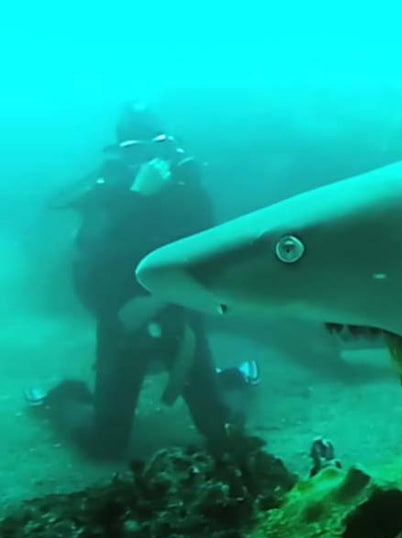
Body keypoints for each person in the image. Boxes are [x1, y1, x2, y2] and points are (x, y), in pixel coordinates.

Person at [26, 102, 259, 460]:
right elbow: (92, 262)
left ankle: (235, 379)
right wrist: (136, 196)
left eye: (156, 146)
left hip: (178, 314)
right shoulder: (109, 190)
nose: (148, 159)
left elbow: (208, 255)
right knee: (104, 446)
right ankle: (63, 395)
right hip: (122, 321)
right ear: (121, 153)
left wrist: (157, 301)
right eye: (135, 150)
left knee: (223, 431)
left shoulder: (186, 186)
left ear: (168, 145)